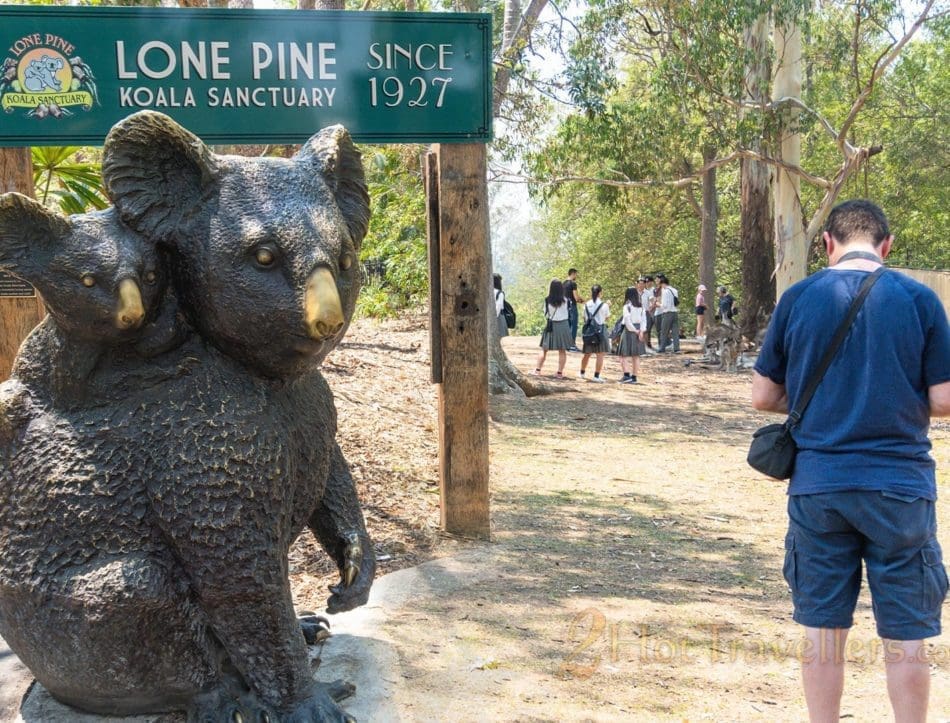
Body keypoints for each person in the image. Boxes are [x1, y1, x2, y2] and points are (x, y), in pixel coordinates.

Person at [751, 200, 950, 723]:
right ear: (887, 247)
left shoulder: (798, 298)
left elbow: (762, 396)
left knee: (823, 630)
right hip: (900, 487)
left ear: (828, 244)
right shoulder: (920, 300)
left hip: (819, 486)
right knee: (907, 635)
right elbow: (945, 399)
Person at [533, 279, 571, 379]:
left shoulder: (547, 300)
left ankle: (537, 370)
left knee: (544, 349)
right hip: (564, 325)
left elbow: (545, 314)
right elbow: (568, 312)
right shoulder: (566, 300)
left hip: (551, 325)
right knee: (562, 350)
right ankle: (559, 373)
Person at [578, 285, 611, 383]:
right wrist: (609, 306)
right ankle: (596, 376)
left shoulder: (587, 304)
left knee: (587, 354)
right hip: (600, 330)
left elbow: (584, 318)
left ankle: (582, 373)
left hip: (589, 331)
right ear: (600, 293)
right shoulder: (604, 305)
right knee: (600, 355)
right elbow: (607, 317)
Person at [617, 286, 646, 384]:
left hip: (629, 332)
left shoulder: (627, 306)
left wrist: (635, 330)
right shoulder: (641, 306)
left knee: (623, 355)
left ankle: (626, 375)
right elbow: (643, 321)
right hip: (638, 331)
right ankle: (634, 377)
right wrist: (641, 331)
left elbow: (627, 321)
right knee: (636, 356)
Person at [654, 274, 680, 353]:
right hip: (674, 312)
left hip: (667, 313)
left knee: (664, 331)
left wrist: (658, 304)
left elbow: (664, 305)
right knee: (675, 332)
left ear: (662, 283)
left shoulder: (665, 291)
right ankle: (676, 348)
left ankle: (662, 348)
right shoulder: (674, 290)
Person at [563, 268, 584, 351]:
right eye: (576, 274)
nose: (576, 276)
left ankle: (566, 345)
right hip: (572, 306)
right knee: (574, 325)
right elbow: (576, 297)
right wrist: (583, 301)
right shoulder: (573, 284)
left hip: (564, 307)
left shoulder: (563, 283)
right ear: (573, 274)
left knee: (567, 325)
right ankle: (572, 345)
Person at [638, 276, 657, 352]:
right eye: (640, 283)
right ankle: (639, 346)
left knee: (645, 330)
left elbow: (653, 301)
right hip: (637, 312)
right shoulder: (635, 292)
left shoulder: (648, 292)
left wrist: (650, 308)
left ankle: (646, 346)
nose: (642, 285)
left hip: (645, 312)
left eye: (643, 283)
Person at [493, 274, 509, 339]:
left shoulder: (487, 291)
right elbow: (499, 306)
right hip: (499, 316)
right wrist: (494, 317)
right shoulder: (500, 293)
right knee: (499, 337)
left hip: (489, 315)